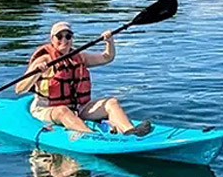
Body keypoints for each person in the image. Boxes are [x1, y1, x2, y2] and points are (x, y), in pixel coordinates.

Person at [15, 21, 152, 136]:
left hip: (78, 108)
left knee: (111, 102)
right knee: (63, 110)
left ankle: (130, 132)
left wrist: (109, 42)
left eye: (68, 36)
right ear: (52, 39)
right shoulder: (44, 60)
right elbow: (19, 89)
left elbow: (107, 57)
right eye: (59, 36)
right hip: (48, 108)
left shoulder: (80, 57)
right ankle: (91, 137)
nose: (64, 40)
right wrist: (36, 73)